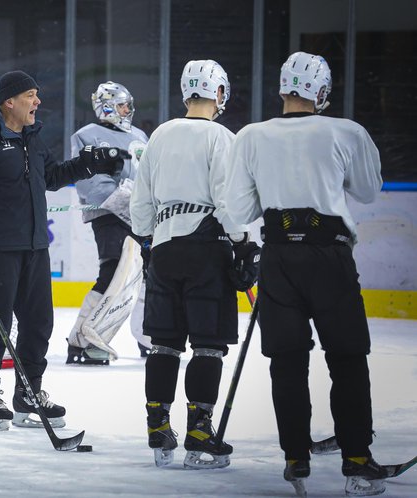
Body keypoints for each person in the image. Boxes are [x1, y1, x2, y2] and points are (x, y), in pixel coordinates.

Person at [224, 51, 386, 497]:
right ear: (324, 91)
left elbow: (237, 209)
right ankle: (356, 461)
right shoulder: (346, 131)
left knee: (287, 362)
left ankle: (296, 457)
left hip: (278, 257)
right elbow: (369, 191)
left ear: (282, 88)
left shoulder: (251, 136)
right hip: (328, 258)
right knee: (348, 358)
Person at [0, 70, 128, 432]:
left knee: (39, 323)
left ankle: (28, 392)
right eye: (31, 95)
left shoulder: (31, 138)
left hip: (34, 246)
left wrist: (88, 164)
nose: (38, 102)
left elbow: (51, 176)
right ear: (9, 101)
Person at [130, 60, 260, 469]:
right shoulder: (223, 137)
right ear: (219, 93)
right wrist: (243, 244)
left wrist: (150, 240)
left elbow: (140, 202)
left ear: (186, 93)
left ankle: (158, 425)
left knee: (164, 342)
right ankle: (200, 431)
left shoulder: (160, 135)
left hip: (165, 249)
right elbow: (229, 199)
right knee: (207, 344)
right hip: (208, 248)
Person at [66, 81, 151, 366]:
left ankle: (148, 338)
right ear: (107, 106)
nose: (128, 110)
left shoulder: (140, 135)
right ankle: (82, 339)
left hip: (141, 217)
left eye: (128, 105)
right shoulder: (86, 136)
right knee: (114, 272)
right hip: (109, 216)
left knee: (147, 275)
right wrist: (125, 200)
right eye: (122, 105)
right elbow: (91, 183)